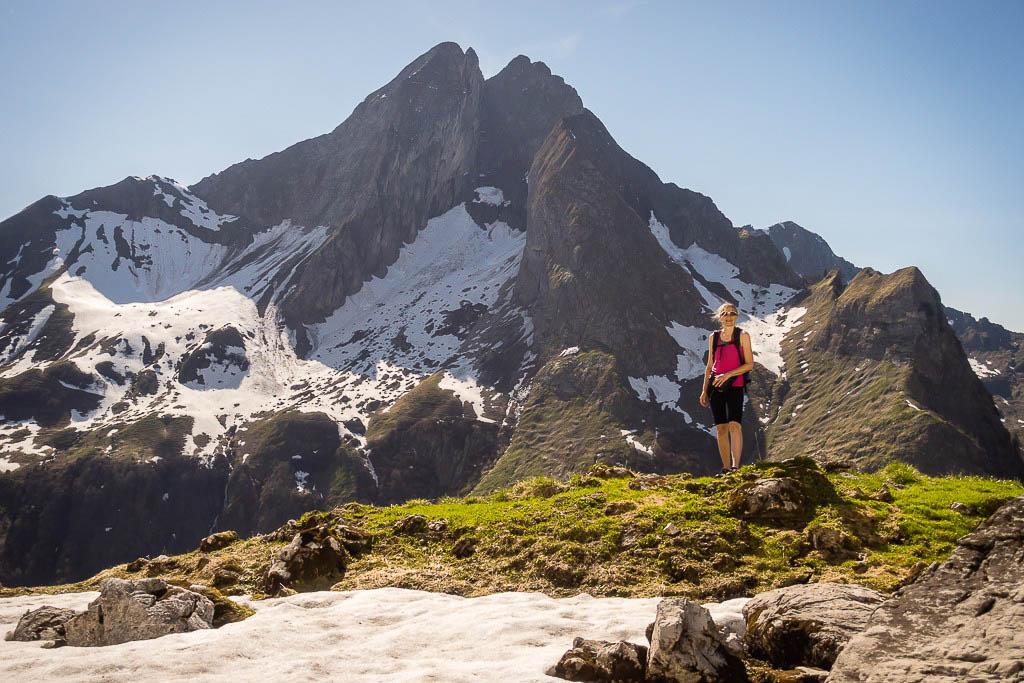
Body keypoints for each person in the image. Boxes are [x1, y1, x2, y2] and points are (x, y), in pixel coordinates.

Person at [699, 303, 754, 475]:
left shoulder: (742, 335)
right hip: (715, 385)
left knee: (735, 426)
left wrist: (729, 375)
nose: (729, 316)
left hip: (735, 385)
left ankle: (736, 467)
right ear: (720, 317)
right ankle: (726, 468)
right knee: (721, 428)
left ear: (736, 316)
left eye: (732, 313)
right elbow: (710, 366)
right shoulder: (713, 337)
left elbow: (749, 364)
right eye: (725, 313)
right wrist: (704, 390)